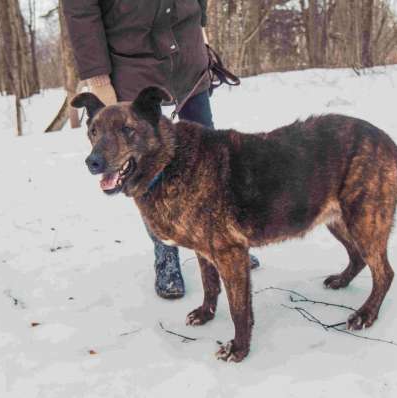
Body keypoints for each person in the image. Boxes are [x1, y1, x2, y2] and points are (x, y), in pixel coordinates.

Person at [62, 0, 259, 299]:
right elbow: (81, 9)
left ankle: (224, 239)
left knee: (209, 155)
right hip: (131, 60)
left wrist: (200, 23)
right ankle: (165, 251)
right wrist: (98, 77)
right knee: (143, 165)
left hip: (187, 52)